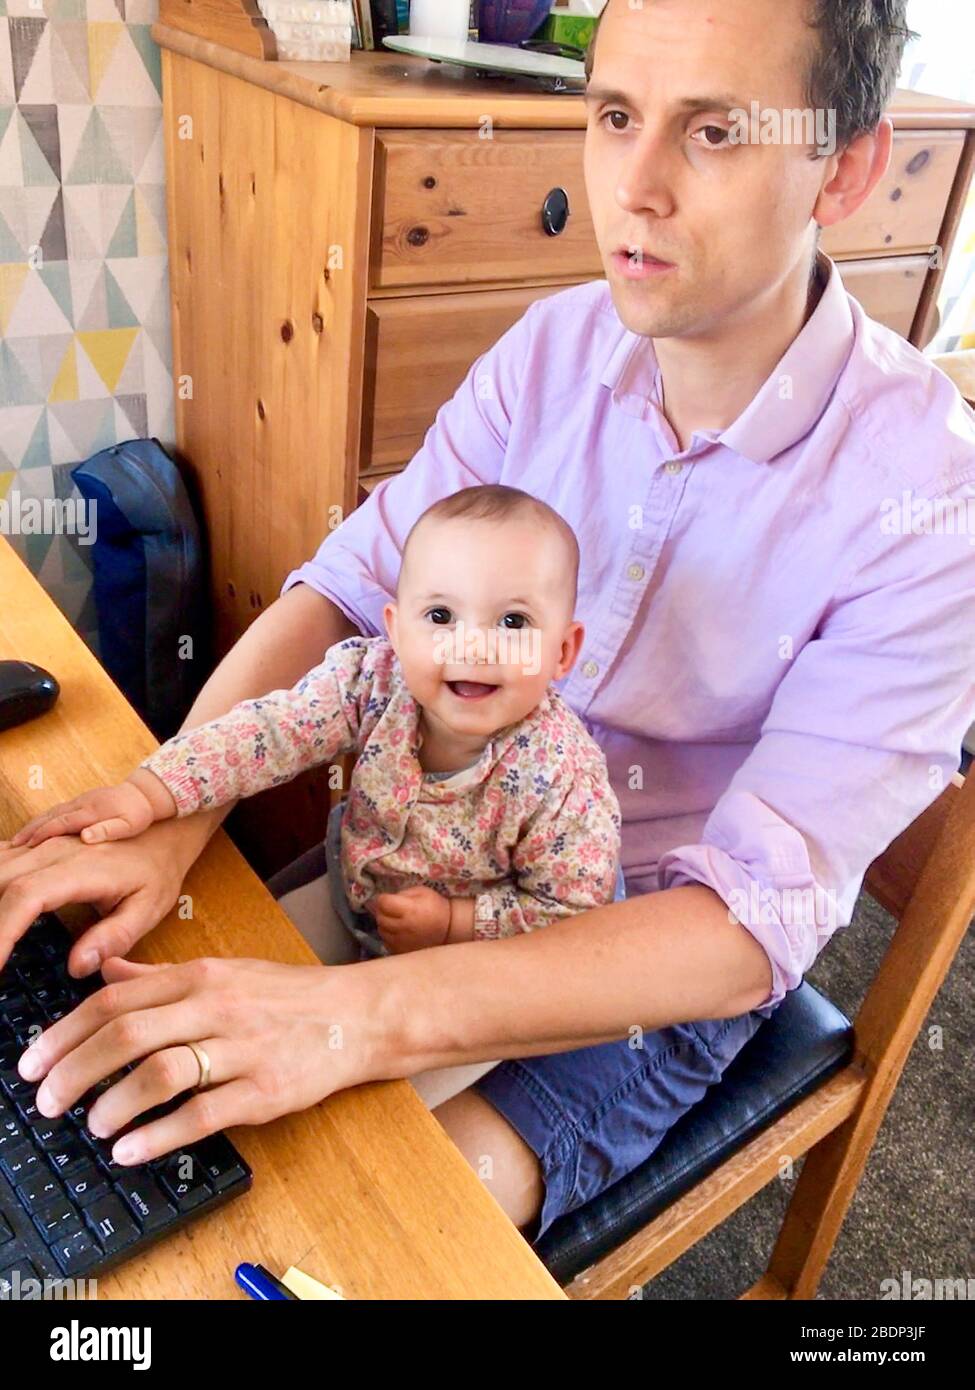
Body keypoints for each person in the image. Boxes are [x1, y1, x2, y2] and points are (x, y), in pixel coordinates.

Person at [3, 0, 974, 1244]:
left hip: (651, 953)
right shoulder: (552, 353)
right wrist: (170, 813)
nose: (637, 186)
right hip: (440, 847)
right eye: (615, 116)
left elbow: (744, 927)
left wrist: (354, 1018)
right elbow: (350, 587)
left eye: (715, 132)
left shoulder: (930, 502)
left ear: (844, 167)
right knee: (108, 1123)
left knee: (335, 1242)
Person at [11, 487, 624, 958]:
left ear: (564, 652)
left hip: (478, 965)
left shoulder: (563, 776)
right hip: (353, 895)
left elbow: (573, 912)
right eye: (439, 615)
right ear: (395, 627)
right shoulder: (372, 681)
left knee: (373, 1098)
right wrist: (150, 792)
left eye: (512, 624)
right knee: (236, 967)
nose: (471, 647)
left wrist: (454, 924)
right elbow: (269, 732)